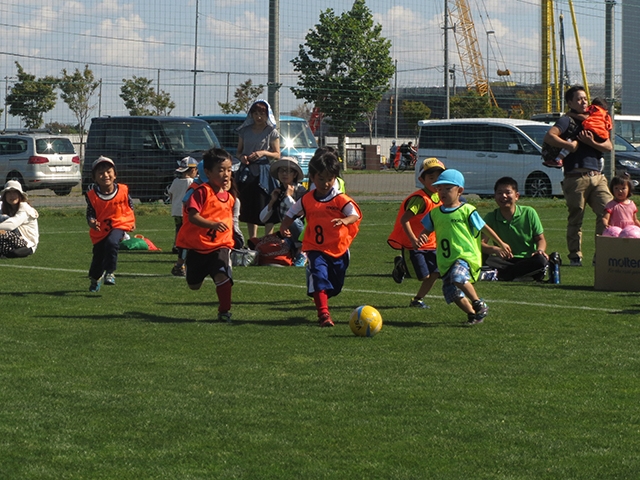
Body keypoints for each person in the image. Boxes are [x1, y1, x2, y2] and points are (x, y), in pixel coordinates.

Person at [280, 149, 361, 327]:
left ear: (335, 179)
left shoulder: (340, 199)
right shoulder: (307, 199)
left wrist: (345, 220)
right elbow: (292, 213)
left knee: (335, 285)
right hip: (316, 249)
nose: (325, 183)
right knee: (318, 275)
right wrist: (284, 226)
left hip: (338, 249)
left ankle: (321, 292)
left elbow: (354, 214)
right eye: (321, 179)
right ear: (313, 178)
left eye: (329, 179)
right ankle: (323, 314)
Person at [419, 169, 511, 325]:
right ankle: (473, 314)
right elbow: (426, 230)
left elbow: (484, 227)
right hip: (445, 260)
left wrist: (501, 243)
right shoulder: (435, 213)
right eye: (439, 189)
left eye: (448, 188)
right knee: (452, 293)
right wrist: (422, 236)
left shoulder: (467, 210)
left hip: (465, 256)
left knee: (458, 277)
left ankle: (478, 303)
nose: (443, 192)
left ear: (459, 191)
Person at [543, 85, 613, 267]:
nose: (583, 102)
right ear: (570, 102)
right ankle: (575, 256)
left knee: (608, 212)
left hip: (598, 176)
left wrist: (591, 142)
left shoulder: (595, 119)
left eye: (585, 98)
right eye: (579, 99)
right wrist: (569, 146)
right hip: (575, 177)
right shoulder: (566, 120)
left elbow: (608, 146)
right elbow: (550, 136)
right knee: (576, 217)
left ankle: (602, 255)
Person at [176, 148, 235, 323]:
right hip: (198, 247)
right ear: (208, 172)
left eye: (229, 170)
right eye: (221, 170)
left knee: (223, 276)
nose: (226, 174)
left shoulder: (229, 196)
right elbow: (193, 216)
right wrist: (213, 224)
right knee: (194, 285)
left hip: (220, 246)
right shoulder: (202, 192)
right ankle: (195, 268)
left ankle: (224, 311)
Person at [387, 157, 445, 308]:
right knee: (423, 276)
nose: (435, 181)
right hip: (414, 245)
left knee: (435, 273)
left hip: (431, 243)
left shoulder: (440, 197)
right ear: (422, 180)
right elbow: (405, 219)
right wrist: (413, 239)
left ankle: (417, 299)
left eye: (439, 177)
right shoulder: (421, 199)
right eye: (431, 178)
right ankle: (401, 266)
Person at [481, 177, 549, 282]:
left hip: (527, 259)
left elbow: (540, 239)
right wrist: (495, 249)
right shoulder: (491, 217)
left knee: (540, 261)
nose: (503, 196)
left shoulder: (529, 213)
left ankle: (501, 275)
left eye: (508, 192)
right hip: (503, 261)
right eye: (499, 193)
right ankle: (521, 275)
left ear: (516, 196)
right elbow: (481, 244)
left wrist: (540, 251)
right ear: (495, 196)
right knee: (479, 256)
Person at [86, 156, 136, 292]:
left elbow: (129, 205)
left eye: (108, 171)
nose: (105, 175)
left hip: (120, 223)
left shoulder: (123, 190)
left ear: (115, 175)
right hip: (101, 230)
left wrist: (132, 221)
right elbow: (90, 213)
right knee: (98, 257)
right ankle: (95, 278)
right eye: (100, 173)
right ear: (94, 178)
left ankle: (110, 272)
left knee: (112, 242)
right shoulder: (92, 195)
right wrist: (91, 222)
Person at [235, 99, 281, 239]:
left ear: (267, 115)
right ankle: (252, 239)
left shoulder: (271, 132)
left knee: (268, 204)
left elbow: (277, 154)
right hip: (248, 172)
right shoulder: (244, 131)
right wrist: (242, 157)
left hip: (265, 172)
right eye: (255, 113)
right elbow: (238, 151)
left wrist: (263, 153)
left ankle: (268, 239)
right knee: (250, 205)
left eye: (262, 114)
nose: (258, 117)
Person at [259, 156, 307, 266]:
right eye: (281, 170)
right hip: (286, 233)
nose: (284, 174)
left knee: (293, 222)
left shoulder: (301, 191)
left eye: (288, 171)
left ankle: (302, 252)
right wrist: (272, 202)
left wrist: (288, 197)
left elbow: (300, 213)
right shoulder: (278, 191)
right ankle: (293, 249)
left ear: (294, 174)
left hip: (303, 232)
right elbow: (262, 218)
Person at [544, 97, 612, 169]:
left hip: (591, 130)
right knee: (599, 153)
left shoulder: (593, 108)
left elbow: (584, 117)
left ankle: (559, 159)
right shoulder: (606, 115)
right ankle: (599, 169)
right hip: (602, 134)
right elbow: (609, 126)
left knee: (573, 140)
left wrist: (570, 114)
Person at [167, 156, 198, 276]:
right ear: (191, 170)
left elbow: (170, 194)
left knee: (179, 229)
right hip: (185, 212)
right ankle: (182, 254)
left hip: (176, 210)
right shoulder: (191, 182)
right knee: (186, 233)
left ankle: (176, 245)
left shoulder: (175, 181)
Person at [0, 180, 39, 258]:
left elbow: (11, 225)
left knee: (4, 218)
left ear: (20, 195)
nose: (12, 196)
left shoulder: (24, 207)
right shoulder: (5, 207)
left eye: (15, 193)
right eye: (9, 193)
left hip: (27, 244)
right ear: (5, 196)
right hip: (11, 239)